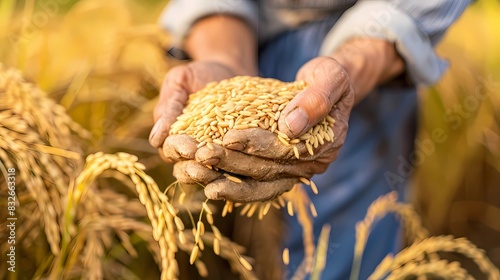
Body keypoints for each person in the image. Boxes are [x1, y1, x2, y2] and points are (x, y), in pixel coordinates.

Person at [149, 0, 470, 279]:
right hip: (246, 36)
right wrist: (225, 59)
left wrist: (353, 66)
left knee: (339, 255)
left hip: (361, 50)